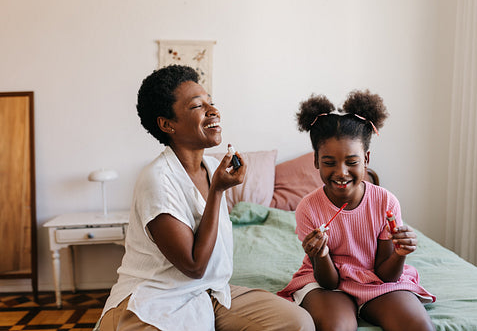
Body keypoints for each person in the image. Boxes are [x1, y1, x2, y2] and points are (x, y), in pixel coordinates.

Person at [97, 65, 314, 331]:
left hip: (209, 292)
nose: (213, 111)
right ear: (167, 124)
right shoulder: (157, 180)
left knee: (297, 323)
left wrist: (218, 186)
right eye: (197, 106)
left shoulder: (212, 168)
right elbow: (194, 265)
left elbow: (202, 274)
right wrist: (218, 191)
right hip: (154, 296)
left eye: (212, 103)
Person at [277, 91, 436, 331]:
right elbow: (328, 282)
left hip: (376, 281)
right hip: (326, 285)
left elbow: (387, 275)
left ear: (366, 158)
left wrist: (400, 254)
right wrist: (320, 255)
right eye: (329, 162)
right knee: (337, 327)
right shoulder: (308, 208)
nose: (341, 172)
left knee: (418, 325)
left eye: (352, 162)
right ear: (316, 161)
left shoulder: (386, 203)